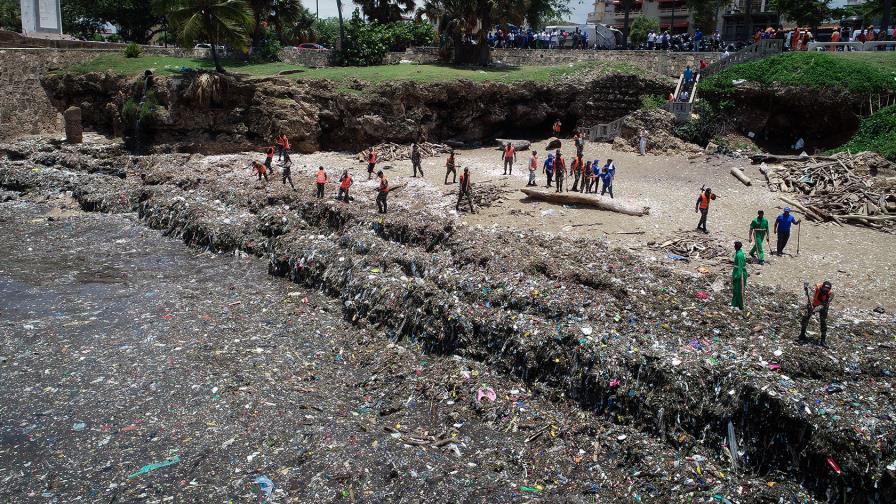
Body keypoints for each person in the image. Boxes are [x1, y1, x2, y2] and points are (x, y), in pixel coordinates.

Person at [799, 281, 832, 346]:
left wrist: (815, 310)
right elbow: (811, 298)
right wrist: (811, 307)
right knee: (805, 318)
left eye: (827, 290)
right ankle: (802, 335)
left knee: (823, 322)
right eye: (824, 289)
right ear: (822, 287)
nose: (825, 291)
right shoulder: (816, 288)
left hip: (823, 306)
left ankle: (823, 340)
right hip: (813, 304)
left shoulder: (831, 294)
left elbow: (824, 304)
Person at [731, 241, 748, 310]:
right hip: (736, 272)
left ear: (736, 247)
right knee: (735, 290)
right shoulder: (738, 253)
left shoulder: (739, 255)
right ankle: (734, 304)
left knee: (740, 291)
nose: (734, 247)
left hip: (740, 275)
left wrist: (736, 276)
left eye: (735, 245)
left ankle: (741, 306)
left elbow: (740, 267)